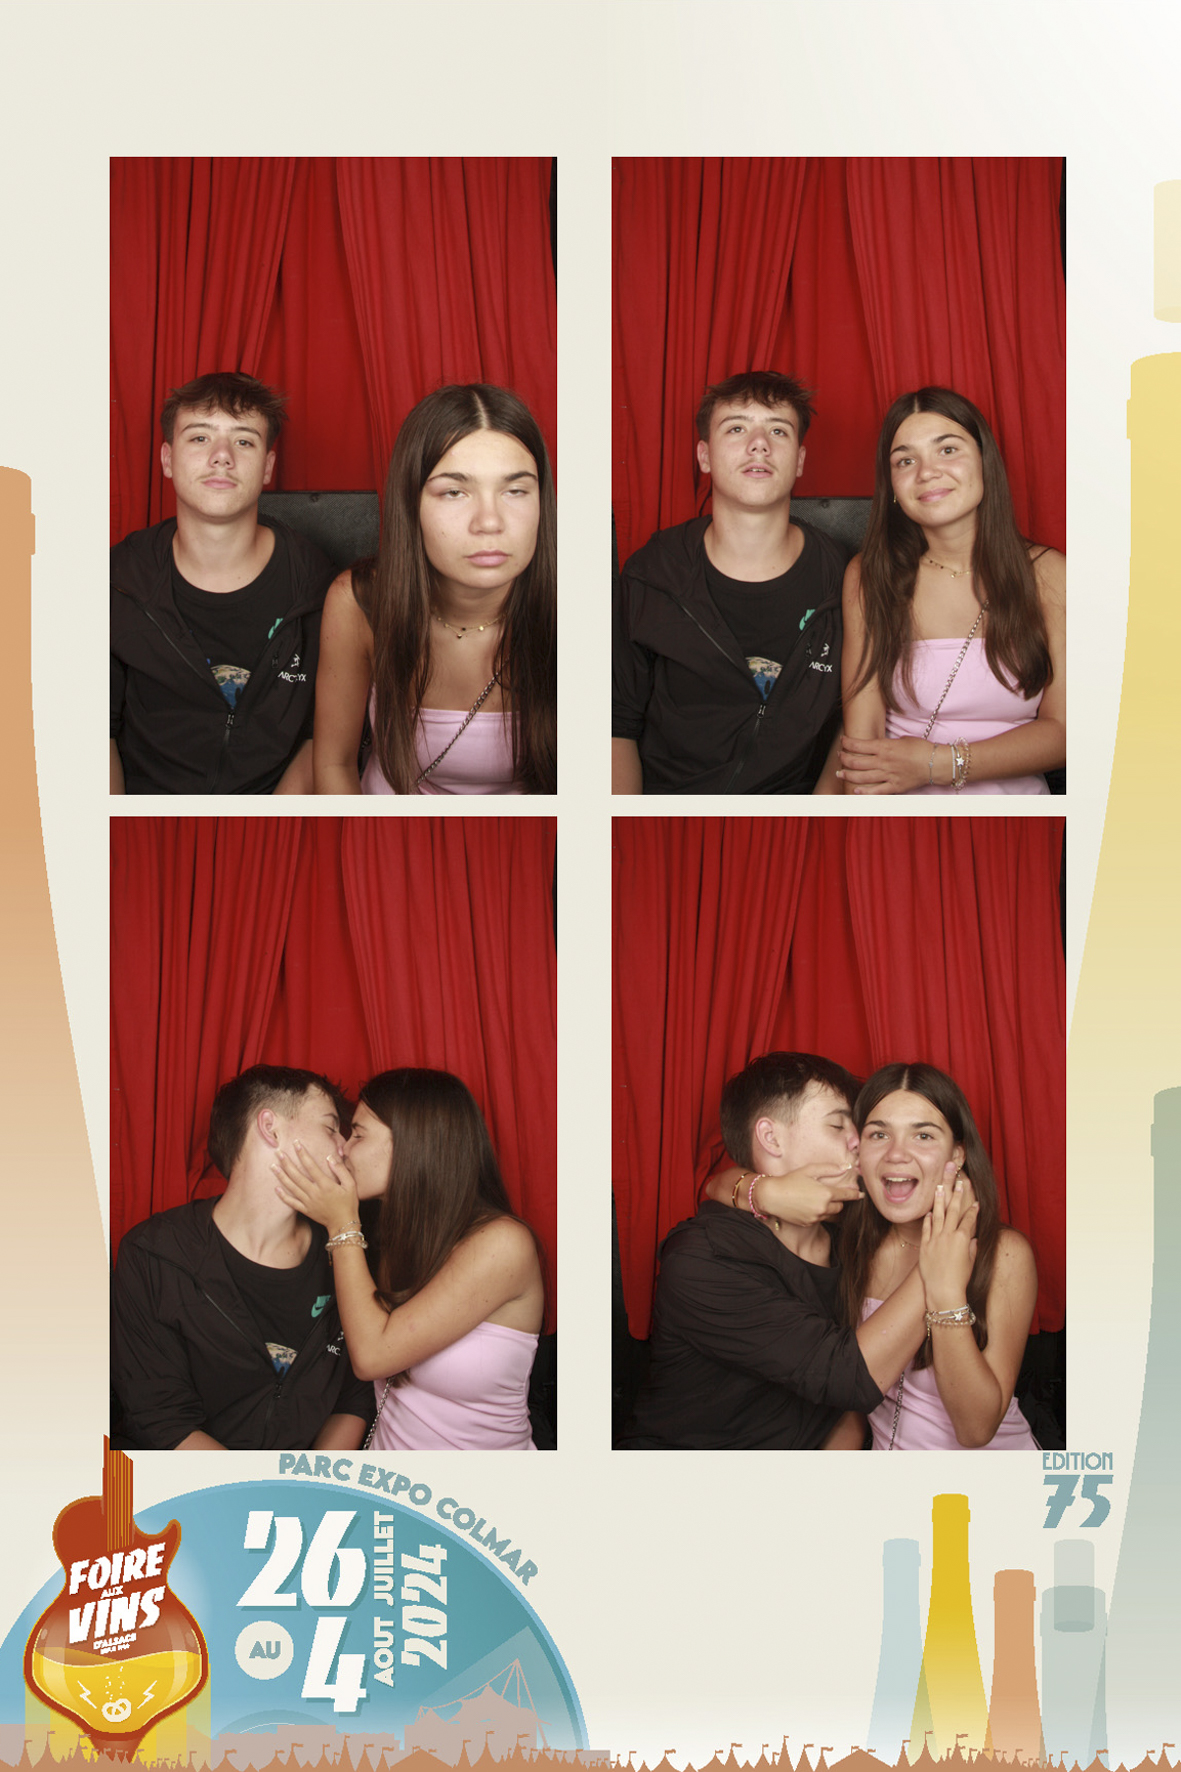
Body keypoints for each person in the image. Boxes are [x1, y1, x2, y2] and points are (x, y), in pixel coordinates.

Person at [623, 1053, 975, 1449]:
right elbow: (847, 1378)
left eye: (860, 1128)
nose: (859, 1141)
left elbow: (844, 1412)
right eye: (838, 1125)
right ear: (771, 1138)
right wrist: (941, 1253)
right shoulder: (704, 1257)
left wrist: (759, 1190)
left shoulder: (851, 1239)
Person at [716, 1062, 1039, 1450]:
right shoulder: (846, 1238)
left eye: (923, 1135)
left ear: (957, 1153)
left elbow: (976, 1430)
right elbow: (715, 1186)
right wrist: (767, 1192)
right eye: (879, 1134)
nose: (896, 1154)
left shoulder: (1004, 1254)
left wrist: (945, 1289)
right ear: (858, 1152)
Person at [273, 1068, 545, 1450]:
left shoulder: (503, 1245)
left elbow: (372, 1356)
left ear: (414, 1144)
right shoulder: (395, 1232)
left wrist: (341, 1224)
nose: (343, 1148)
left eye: (358, 1134)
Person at [111, 1067, 374, 1450]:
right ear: (270, 1128)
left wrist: (311, 1481)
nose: (344, 1146)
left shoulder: (347, 1250)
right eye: (331, 1127)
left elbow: (354, 1396)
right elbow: (161, 1420)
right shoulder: (154, 1255)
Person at [819, 386, 1065, 794]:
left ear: (985, 461)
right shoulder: (869, 575)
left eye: (947, 450)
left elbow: (1065, 733)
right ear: (891, 486)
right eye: (905, 460)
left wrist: (935, 764)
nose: (927, 472)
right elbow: (862, 738)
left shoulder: (1050, 575)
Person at [612, 370, 848, 795]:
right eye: (736, 428)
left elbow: (859, 721)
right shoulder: (652, 573)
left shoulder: (844, 577)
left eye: (778, 430)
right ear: (703, 456)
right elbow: (615, 726)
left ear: (799, 460)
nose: (759, 444)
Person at [313, 385, 556, 795]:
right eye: (455, 492)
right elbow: (333, 763)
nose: (489, 522)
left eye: (515, 490)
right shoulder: (359, 603)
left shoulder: (577, 609)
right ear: (412, 506)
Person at [111, 370, 334, 794]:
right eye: (199, 438)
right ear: (167, 459)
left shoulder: (320, 585)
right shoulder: (117, 580)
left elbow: (321, 737)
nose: (221, 457)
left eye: (244, 441)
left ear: (268, 466)